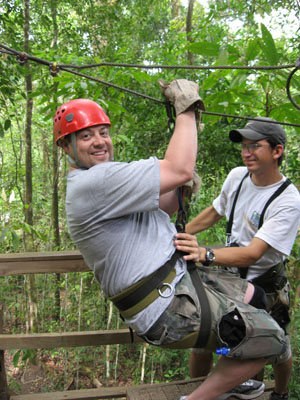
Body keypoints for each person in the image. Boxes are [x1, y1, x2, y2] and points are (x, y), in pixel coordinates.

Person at [54, 80, 288, 400]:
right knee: (273, 339)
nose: (98, 141)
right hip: (166, 305)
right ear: (66, 147)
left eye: (103, 133)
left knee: (256, 298)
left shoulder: (103, 181)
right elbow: (179, 169)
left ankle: (233, 366)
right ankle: (197, 398)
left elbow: (166, 203)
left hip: (177, 282)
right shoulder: (94, 181)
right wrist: (186, 109)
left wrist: (182, 188)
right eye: (85, 136)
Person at [183, 117, 300, 400]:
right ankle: (199, 390)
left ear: (277, 151)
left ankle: (279, 394)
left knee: (275, 346)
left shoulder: (288, 199)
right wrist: (181, 233)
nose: (246, 152)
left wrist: (205, 254)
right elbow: (215, 211)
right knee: (206, 339)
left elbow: (253, 253)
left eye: (255, 146)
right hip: (231, 280)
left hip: (265, 283)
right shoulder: (237, 177)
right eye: (244, 146)